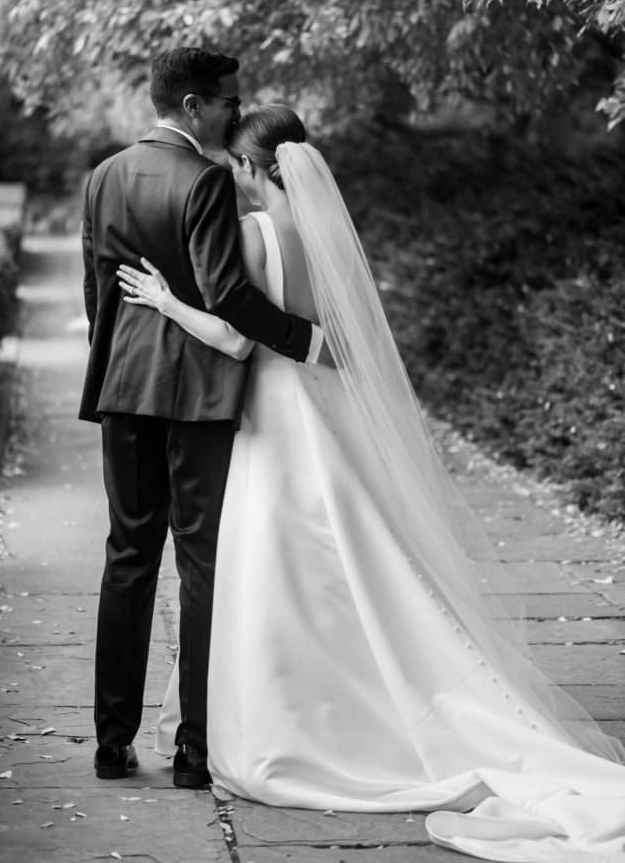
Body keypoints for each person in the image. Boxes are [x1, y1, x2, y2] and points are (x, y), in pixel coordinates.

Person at [117, 104, 625, 862]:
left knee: (282, 567)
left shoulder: (253, 234)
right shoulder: (330, 239)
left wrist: (165, 301)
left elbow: (233, 334)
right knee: (359, 558)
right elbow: (334, 342)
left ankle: (296, 724)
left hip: (274, 418)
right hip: (327, 409)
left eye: (237, 166)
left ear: (255, 170)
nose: (232, 177)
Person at [79, 53, 325, 785]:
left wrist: (115, 362)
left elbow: (98, 290)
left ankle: (111, 743)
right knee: (200, 563)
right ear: (192, 105)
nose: (233, 112)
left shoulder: (105, 175)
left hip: (125, 387)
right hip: (198, 395)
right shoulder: (207, 179)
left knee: (127, 558)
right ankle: (193, 750)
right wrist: (305, 341)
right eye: (227, 101)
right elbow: (228, 293)